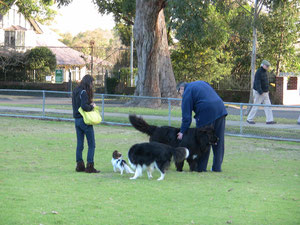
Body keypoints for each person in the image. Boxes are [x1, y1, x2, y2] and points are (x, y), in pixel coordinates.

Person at [177, 81, 227, 172]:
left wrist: (182, 131)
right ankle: (217, 167)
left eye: (179, 93)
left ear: (181, 89)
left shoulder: (187, 92)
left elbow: (186, 117)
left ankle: (201, 167)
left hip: (205, 112)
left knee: (203, 139)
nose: (180, 95)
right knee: (218, 139)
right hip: (220, 109)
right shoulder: (201, 83)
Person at [72, 75, 100, 173]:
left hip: (77, 120)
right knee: (91, 144)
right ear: (88, 83)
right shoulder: (84, 92)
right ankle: (90, 166)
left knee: (80, 144)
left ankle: (79, 165)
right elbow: (84, 106)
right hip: (85, 120)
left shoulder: (76, 91)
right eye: (92, 83)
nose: (92, 86)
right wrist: (91, 106)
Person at [247, 60, 276, 125]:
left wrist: (267, 90)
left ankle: (269, 120)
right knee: (256, 106)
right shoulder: (259, 72)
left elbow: (265, 82)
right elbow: (257, 82)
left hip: (265, 92)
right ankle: (249, 119)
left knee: (268, 106)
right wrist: (260, 91)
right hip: (259, 92)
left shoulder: (265, 72)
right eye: (267, 66)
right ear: (263, 65)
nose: (268, 67)